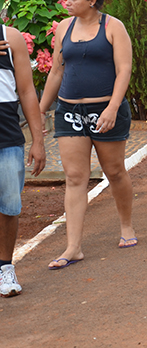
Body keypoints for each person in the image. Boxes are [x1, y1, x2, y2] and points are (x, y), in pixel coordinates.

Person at [39, 0, 136, 269]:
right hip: (69, 112)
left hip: (106, 111)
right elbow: (57, 71)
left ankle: (127, 225)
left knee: (115, 171)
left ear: (92, 1)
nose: (66, 2)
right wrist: (41, 109)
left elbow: (124, 70)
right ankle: (73, 247)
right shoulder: (64, 28)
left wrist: (112, 107)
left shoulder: (113, 27)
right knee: (75, 178)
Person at [0, 25, 46, 296]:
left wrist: (38, 141)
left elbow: (27, 91)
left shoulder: (11, 37)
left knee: (9, 204)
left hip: (6, 133)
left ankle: (5, 268)